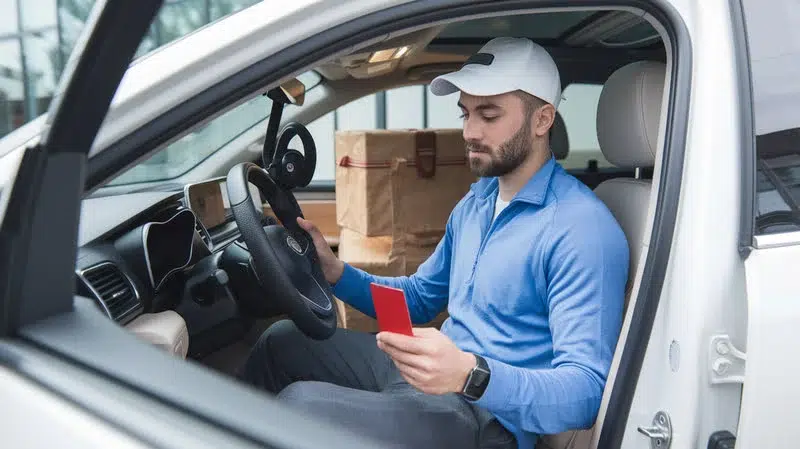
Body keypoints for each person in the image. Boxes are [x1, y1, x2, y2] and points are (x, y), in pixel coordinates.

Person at [239, 37, 629, 449]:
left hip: (483, 418)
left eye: (489, 115)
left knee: (300, 407)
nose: (469, 132)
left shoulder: (582, 229)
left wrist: (470, 374)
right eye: (465, 113)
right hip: (431, 372)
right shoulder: (479, 200)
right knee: (280, 343)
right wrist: (337, 274)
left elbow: (585, 394)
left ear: (542, 120)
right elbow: (419, 300)